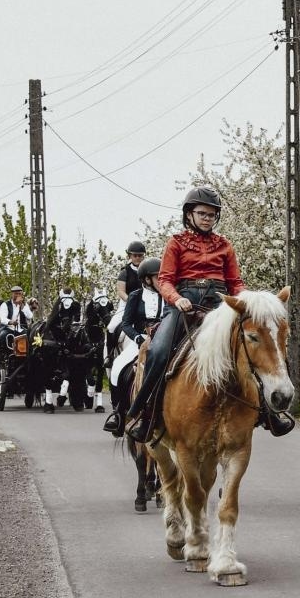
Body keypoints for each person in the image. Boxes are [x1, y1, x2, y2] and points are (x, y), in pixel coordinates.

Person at [122, 186, 252, 443]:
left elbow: (235, 281)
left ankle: (269, 412)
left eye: (212, 214)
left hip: (218, 304)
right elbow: (167, 280)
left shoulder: (225, 245)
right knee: (158, 351)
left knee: (252, 344)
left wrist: (246, 299)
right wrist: (176, 299)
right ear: (189, 214)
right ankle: (144, 414)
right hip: (184, 305)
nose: (207, 218)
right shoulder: (176, 243)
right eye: (202, 213)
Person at [103, 255, 168, 437]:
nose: (161, 280)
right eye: (157, 277)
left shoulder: (170, 294)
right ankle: (118, 414)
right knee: (117, 368)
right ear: (147, 279)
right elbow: (126, 323)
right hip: (139, 340)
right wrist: (138, 338)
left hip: (166, 339)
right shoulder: (136, 296)